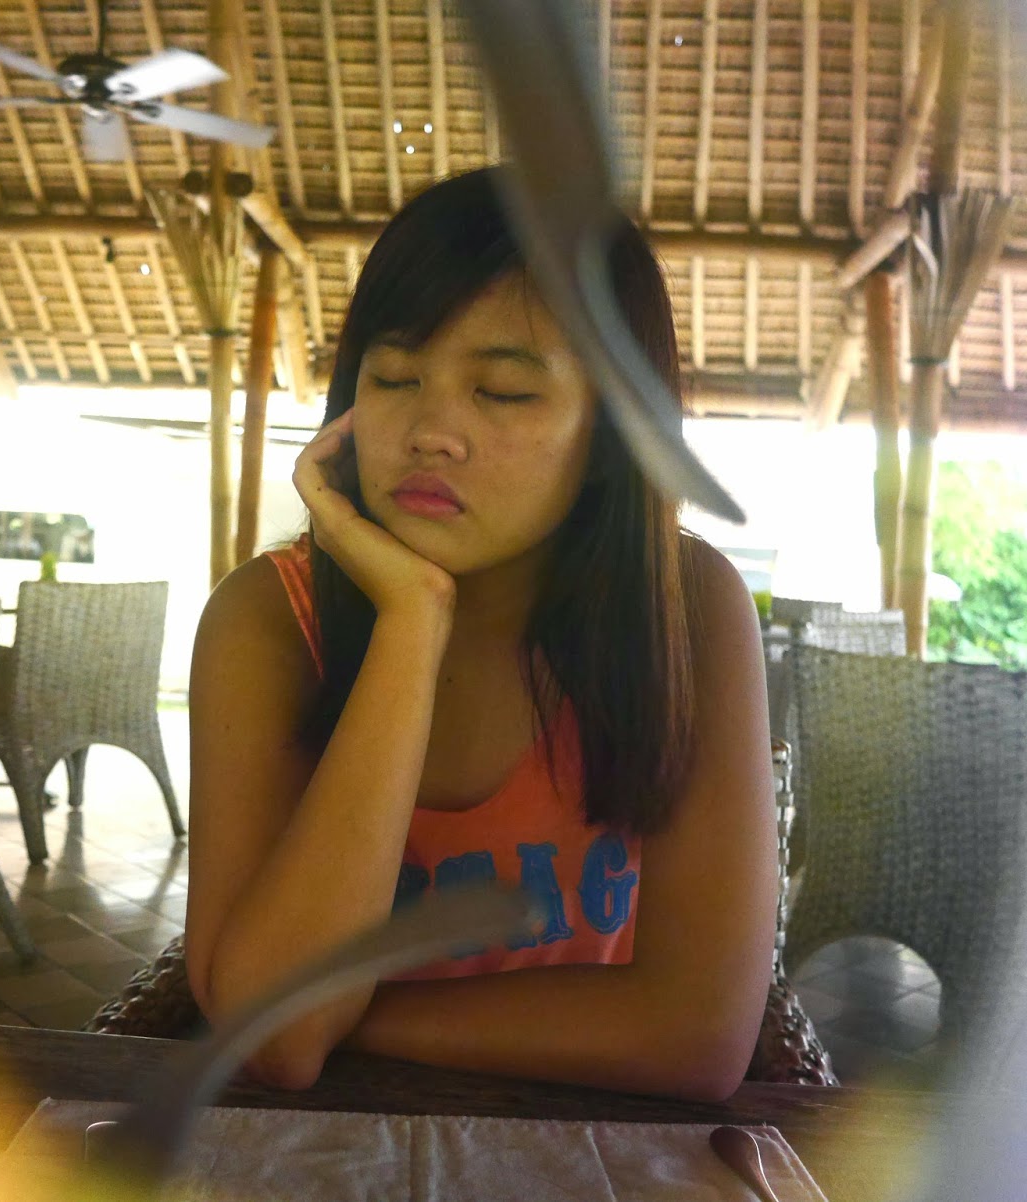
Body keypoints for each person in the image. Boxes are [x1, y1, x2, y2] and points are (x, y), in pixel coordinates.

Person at [184, 167, 777, 1101]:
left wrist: (338, 1016)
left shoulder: (689, 610)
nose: (431, 431)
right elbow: (280, 1044)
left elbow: (699, 1035)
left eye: (501, 391)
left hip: (589, 1147)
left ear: (609, 439)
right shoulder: (268, 622)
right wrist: (410, 623)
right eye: (394, 377)